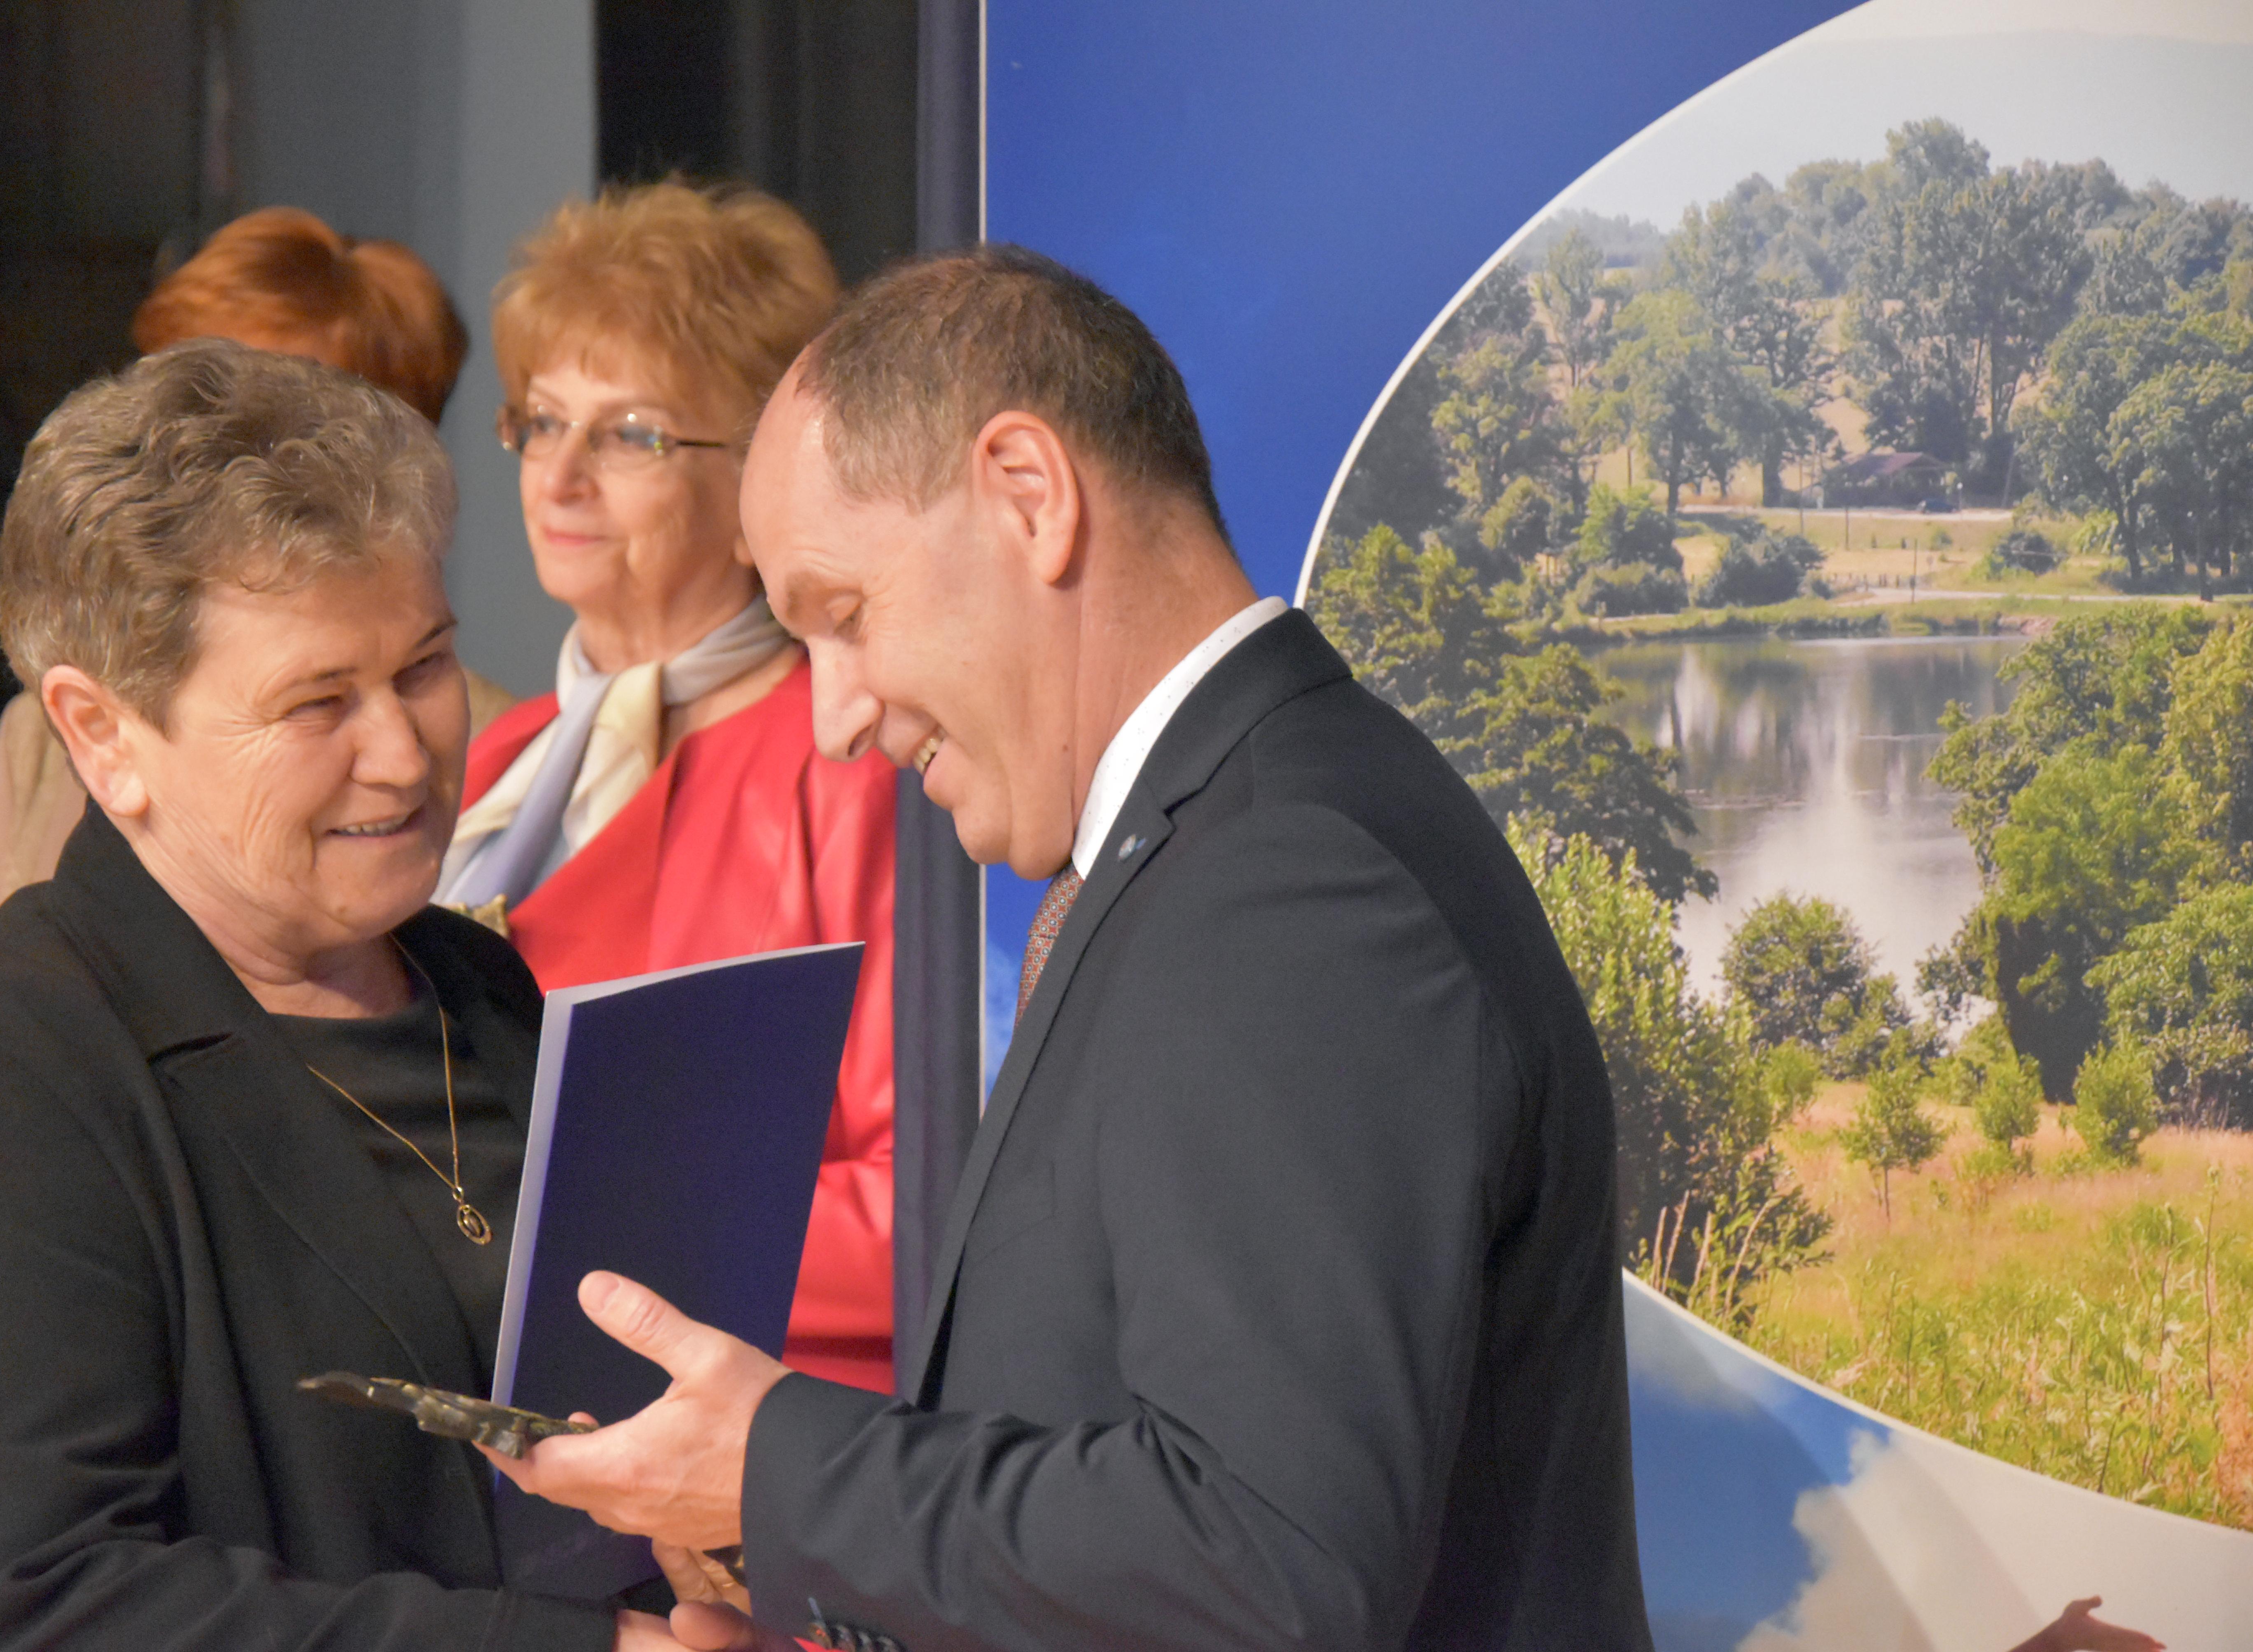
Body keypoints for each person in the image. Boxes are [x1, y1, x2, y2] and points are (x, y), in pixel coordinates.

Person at [490, 247, 1652, 1650]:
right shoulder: (1233, 836)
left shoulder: (1282, 886)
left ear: (1030, 495)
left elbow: (1267, 1561)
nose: (835, 719)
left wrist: (779, 1471)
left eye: (844, 619)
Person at [0, 341, 684, 1650]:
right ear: (103, 734)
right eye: (318, 703)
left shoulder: (482, 986)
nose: (404, 756)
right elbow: (36, 1613)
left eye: (424, 667)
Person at [437, 181, 898, 1393]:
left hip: (729, 1423)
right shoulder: (491, 760)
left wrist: (584, 1250)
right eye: (542, 422)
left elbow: (929, 1196)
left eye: (630, 434)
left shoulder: (857, 765)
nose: (559, 477)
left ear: (760, 484)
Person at [0, 206, 510, 940]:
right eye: (174, 394)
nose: (183, 449)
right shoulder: (41, 733)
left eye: (256, 426)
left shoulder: (502, 747)